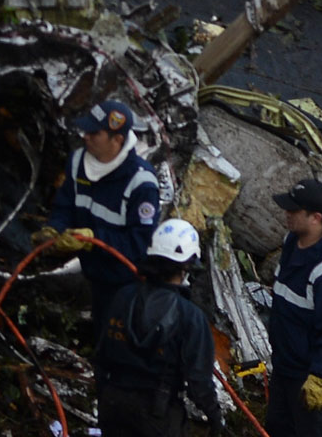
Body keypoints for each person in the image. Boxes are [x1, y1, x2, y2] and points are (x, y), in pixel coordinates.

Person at [35, 100, 161, 331]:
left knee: (118, 341)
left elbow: (139, 244)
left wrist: (93, 239)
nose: (86, 137)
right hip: (94, 274)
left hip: (127, 283)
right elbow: (66, 205)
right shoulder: (78, 163)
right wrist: (55, 228)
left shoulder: (141, 184)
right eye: (86, 130)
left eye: (95, 133)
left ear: (118, 140)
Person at [95, 219, 224, 437]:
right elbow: (199, 382)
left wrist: (104, 396)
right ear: (186, 266)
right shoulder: (190, 317)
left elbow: (101, 356)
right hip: (157, 415)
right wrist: (215, 418)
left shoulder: (123, 297)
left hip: (112, 406)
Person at [266, 179, 322, 437]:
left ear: (315, 217)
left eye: (294, 211)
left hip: (311, 375)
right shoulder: (293, 241)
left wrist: (320, 376)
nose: (287, 214)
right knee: (277, 427)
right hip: (285, 365)